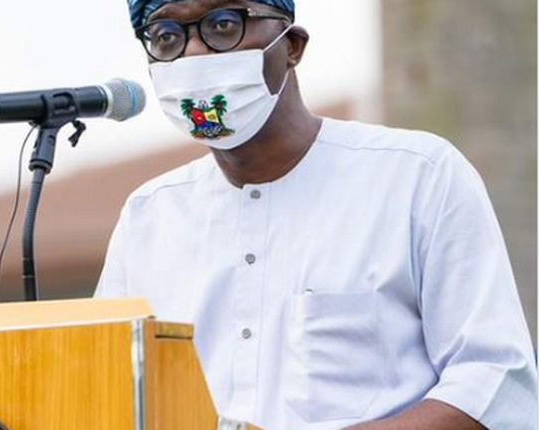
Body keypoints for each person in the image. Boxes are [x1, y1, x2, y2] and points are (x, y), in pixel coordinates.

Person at [94, 0, 538, 428]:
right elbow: (103, 388)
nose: (192, 51)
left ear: (292, 46)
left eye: (223, 25)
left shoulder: (417, 176)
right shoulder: (147, 217)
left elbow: (497, 381)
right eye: (166, 35)